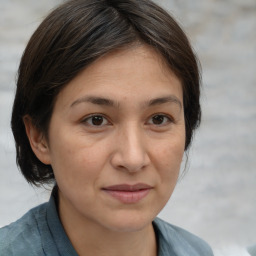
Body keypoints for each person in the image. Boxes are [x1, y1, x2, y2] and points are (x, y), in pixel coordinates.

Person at [0, 0, 214, 255]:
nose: (133, 159)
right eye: (96, 120)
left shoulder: (197, 251)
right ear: (39, 137)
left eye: (158, 119)